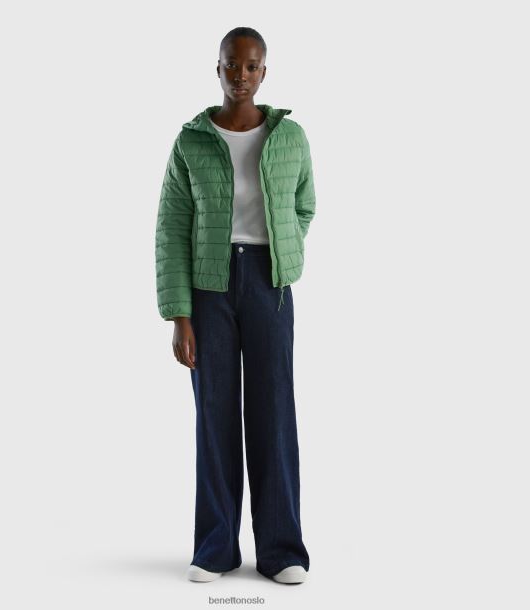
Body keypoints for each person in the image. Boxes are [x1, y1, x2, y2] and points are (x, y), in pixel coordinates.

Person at [154, 26, 316, 585]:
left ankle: (282, 550)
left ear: (264, 72)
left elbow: (304, 206)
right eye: (231, 64)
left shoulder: (290, 137)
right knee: (214, 415)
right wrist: (179, 315)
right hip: (209, 288)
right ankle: (215, 548)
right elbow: (172, 229)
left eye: (251, 66)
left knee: (274, 414)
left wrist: (284, 249)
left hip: (270, 286)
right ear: (217, 68)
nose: (240, 76)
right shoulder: (191, 142)